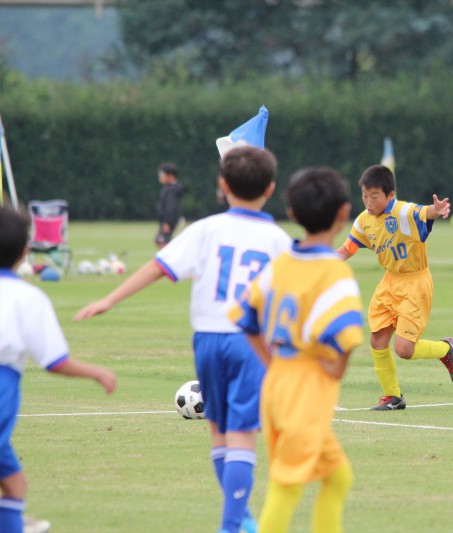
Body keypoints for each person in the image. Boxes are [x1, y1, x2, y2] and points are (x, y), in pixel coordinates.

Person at [75, 146, 293, 533]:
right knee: (243, 436)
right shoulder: (278, 239)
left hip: (208, 340)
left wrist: (110, 299)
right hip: (250, 343)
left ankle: (240, 519)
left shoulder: (205, 229)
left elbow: (159, 267)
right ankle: (232, 524)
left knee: (219, 433)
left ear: (223, 186)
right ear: (270, 188)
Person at [230, 167, 364, 533]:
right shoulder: (333, 271)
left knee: (337, 477)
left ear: (291, 213)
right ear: (343, 213)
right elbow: (347, 335)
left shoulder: (279, 264)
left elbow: (246, 319)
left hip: (277, 382)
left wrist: (272, 362)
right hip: (307, 388)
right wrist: (336, 369)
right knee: (286, 486)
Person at [0, 205, 117, 533]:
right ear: (25, 251)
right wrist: (97, 373)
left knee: (14, 483)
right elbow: (54, 361)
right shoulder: (28, 297)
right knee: (13, 485)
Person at [336, 164, 453, 411]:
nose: (368, 202)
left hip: (415, 283)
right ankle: (392, 397)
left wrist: (436, 210)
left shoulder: (403, 212)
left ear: (390, 195)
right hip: (389, 282)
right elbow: (347, 249)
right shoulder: (363, 221)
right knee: (377, 340)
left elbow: (424, 212)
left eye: (375, 196)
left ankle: (446, 349)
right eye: (364, 195)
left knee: (404, 350)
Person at [155, 162, 184, 248]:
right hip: (166, 221)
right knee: (161, 241)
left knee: (162, 242)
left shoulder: (172, 190)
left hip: (168, 221)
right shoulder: (169, 188)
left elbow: (171, 207)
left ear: (170, 176)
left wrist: (168, 222)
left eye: (162, 175)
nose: (161, 177)